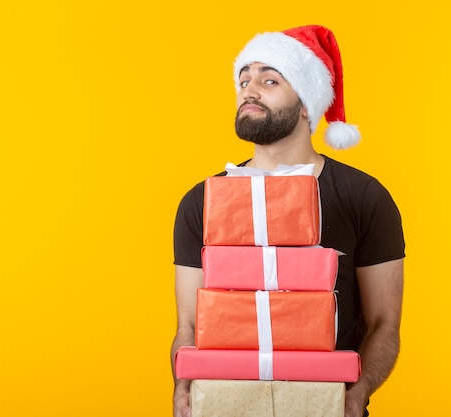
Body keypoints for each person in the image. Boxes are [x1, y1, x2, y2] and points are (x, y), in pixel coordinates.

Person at [170, 25, 405, 417]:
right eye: (244, 79)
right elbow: (188, 326)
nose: (249, 88)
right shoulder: (201, 201)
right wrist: (183, 389)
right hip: (225, 404)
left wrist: (356, 393)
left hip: (325, 403)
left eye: (270, 79)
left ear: (306, 104)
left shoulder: (364, 197)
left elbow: (384, 323)